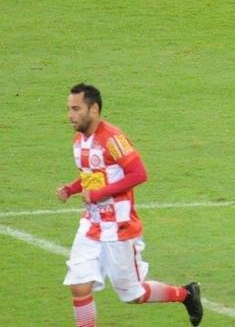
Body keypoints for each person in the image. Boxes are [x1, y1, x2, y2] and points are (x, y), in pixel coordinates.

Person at [57, 83, 203, 326]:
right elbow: (93, 173)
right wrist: (72, 189)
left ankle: (187, 294)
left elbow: (139, 173)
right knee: (78, 285)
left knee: (132, 294)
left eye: (75, 109)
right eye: (69, 109)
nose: (70, 115)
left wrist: (99, 193)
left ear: (93, 109)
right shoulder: (79, 140)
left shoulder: (113, 138)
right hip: (92, 225)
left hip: (119, 227)